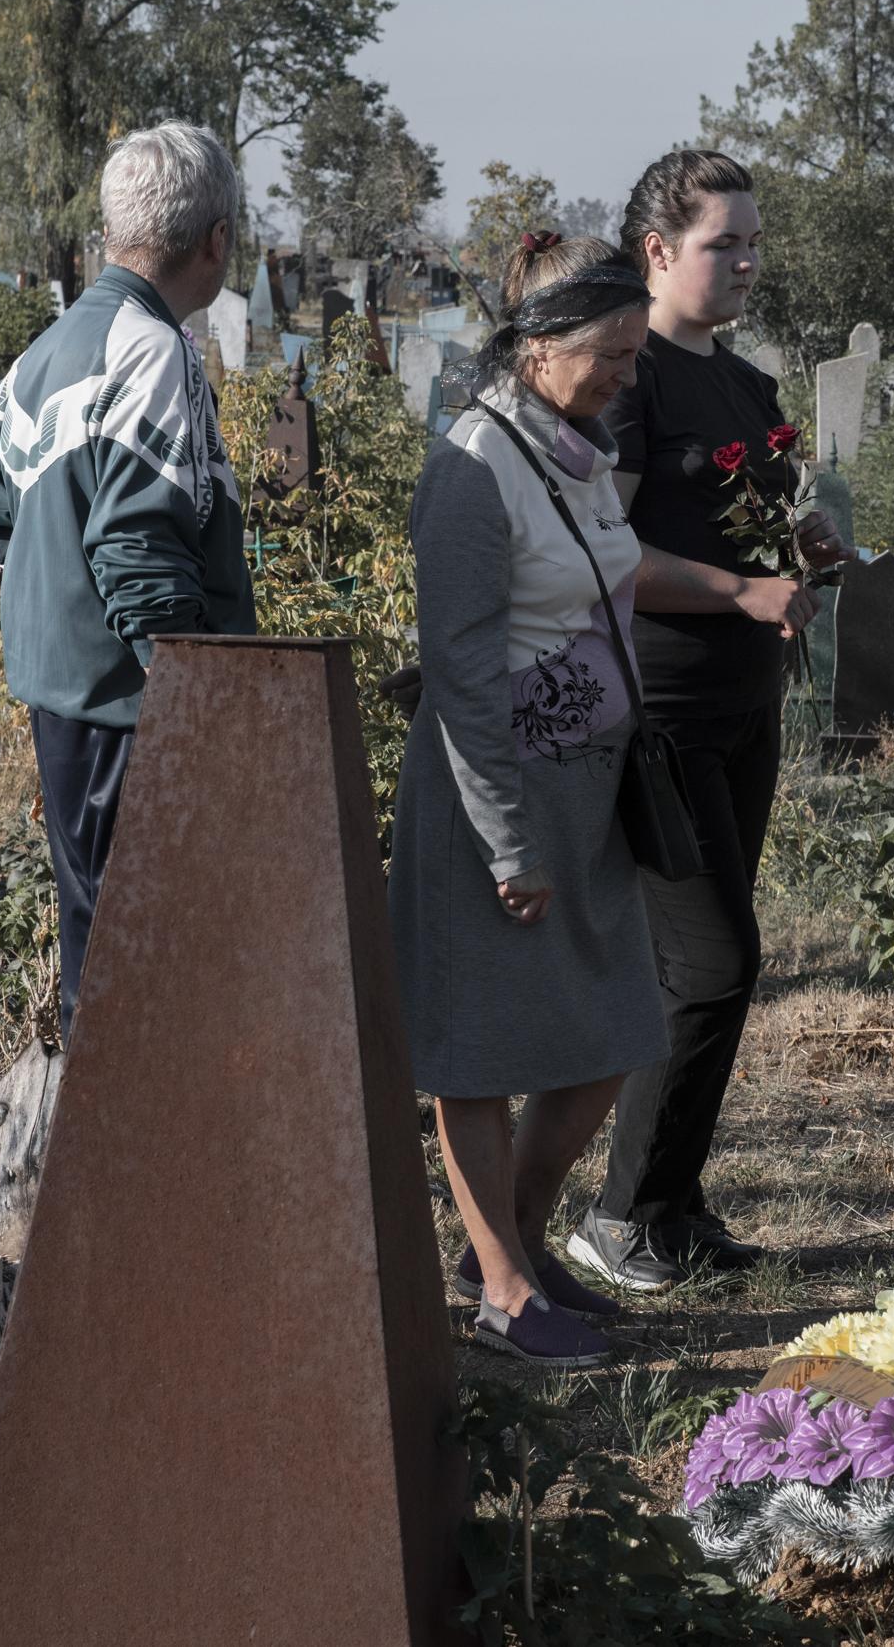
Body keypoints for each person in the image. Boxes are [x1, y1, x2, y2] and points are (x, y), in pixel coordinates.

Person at [390, 231, 667, 1363]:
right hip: (488, 796)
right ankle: (501, 1294)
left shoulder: (578, 448)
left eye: (635, 354)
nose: (625, 375)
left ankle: (517, 1242)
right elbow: (459, 669)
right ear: (540, 346)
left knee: (613, 1028)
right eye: (609, 352)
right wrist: (508, 842)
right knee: (482, 1048)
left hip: (587, 786)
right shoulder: (476, 463)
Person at [568, 149, 839, 1294]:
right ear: (658, 253)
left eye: (752, 243)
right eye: (723, 243)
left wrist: (800, 551)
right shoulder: (633, 384)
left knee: (705, 972)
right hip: (664, 712)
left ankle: (673, 1207)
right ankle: (617, 1216)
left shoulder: (749, 385)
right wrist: (738, 592)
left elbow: (750, 529)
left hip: (745, 707)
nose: (744, 264)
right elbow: (601, 553)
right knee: (717, 964)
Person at [0, 121, 255, 1040]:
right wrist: (198, 696)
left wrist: (14, 558)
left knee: (99, 935)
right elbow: (137, 549)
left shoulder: (62, 340)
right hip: (131, 703)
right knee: (144, 950)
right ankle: (133, 1155)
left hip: (67, 689)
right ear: (216, 239)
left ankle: (98, 1145)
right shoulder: (152, 349)